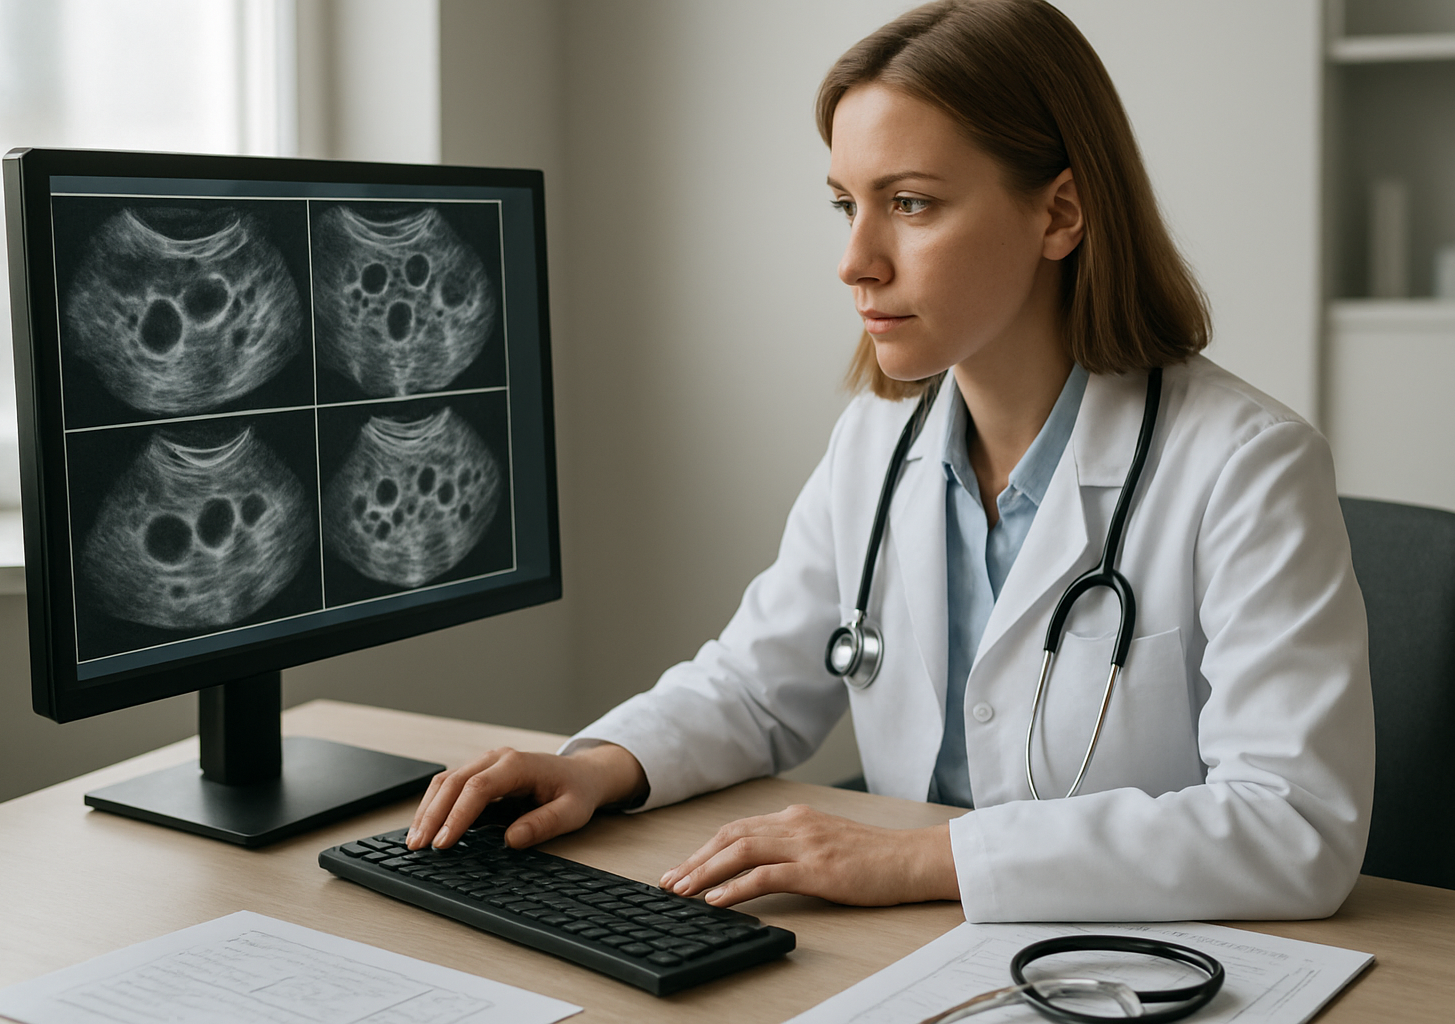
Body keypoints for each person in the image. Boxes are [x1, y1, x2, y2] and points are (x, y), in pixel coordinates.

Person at [406, 0, 1374, 923]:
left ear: (1061, 215)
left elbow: (1293, 823)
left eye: (909, 204)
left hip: (1123, 966)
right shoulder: (880, 441)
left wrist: (917, 860)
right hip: (906, 954)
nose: (856, 260)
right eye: (846, 206)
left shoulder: (1246, 466)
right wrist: (600, 763)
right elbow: (754, 685)